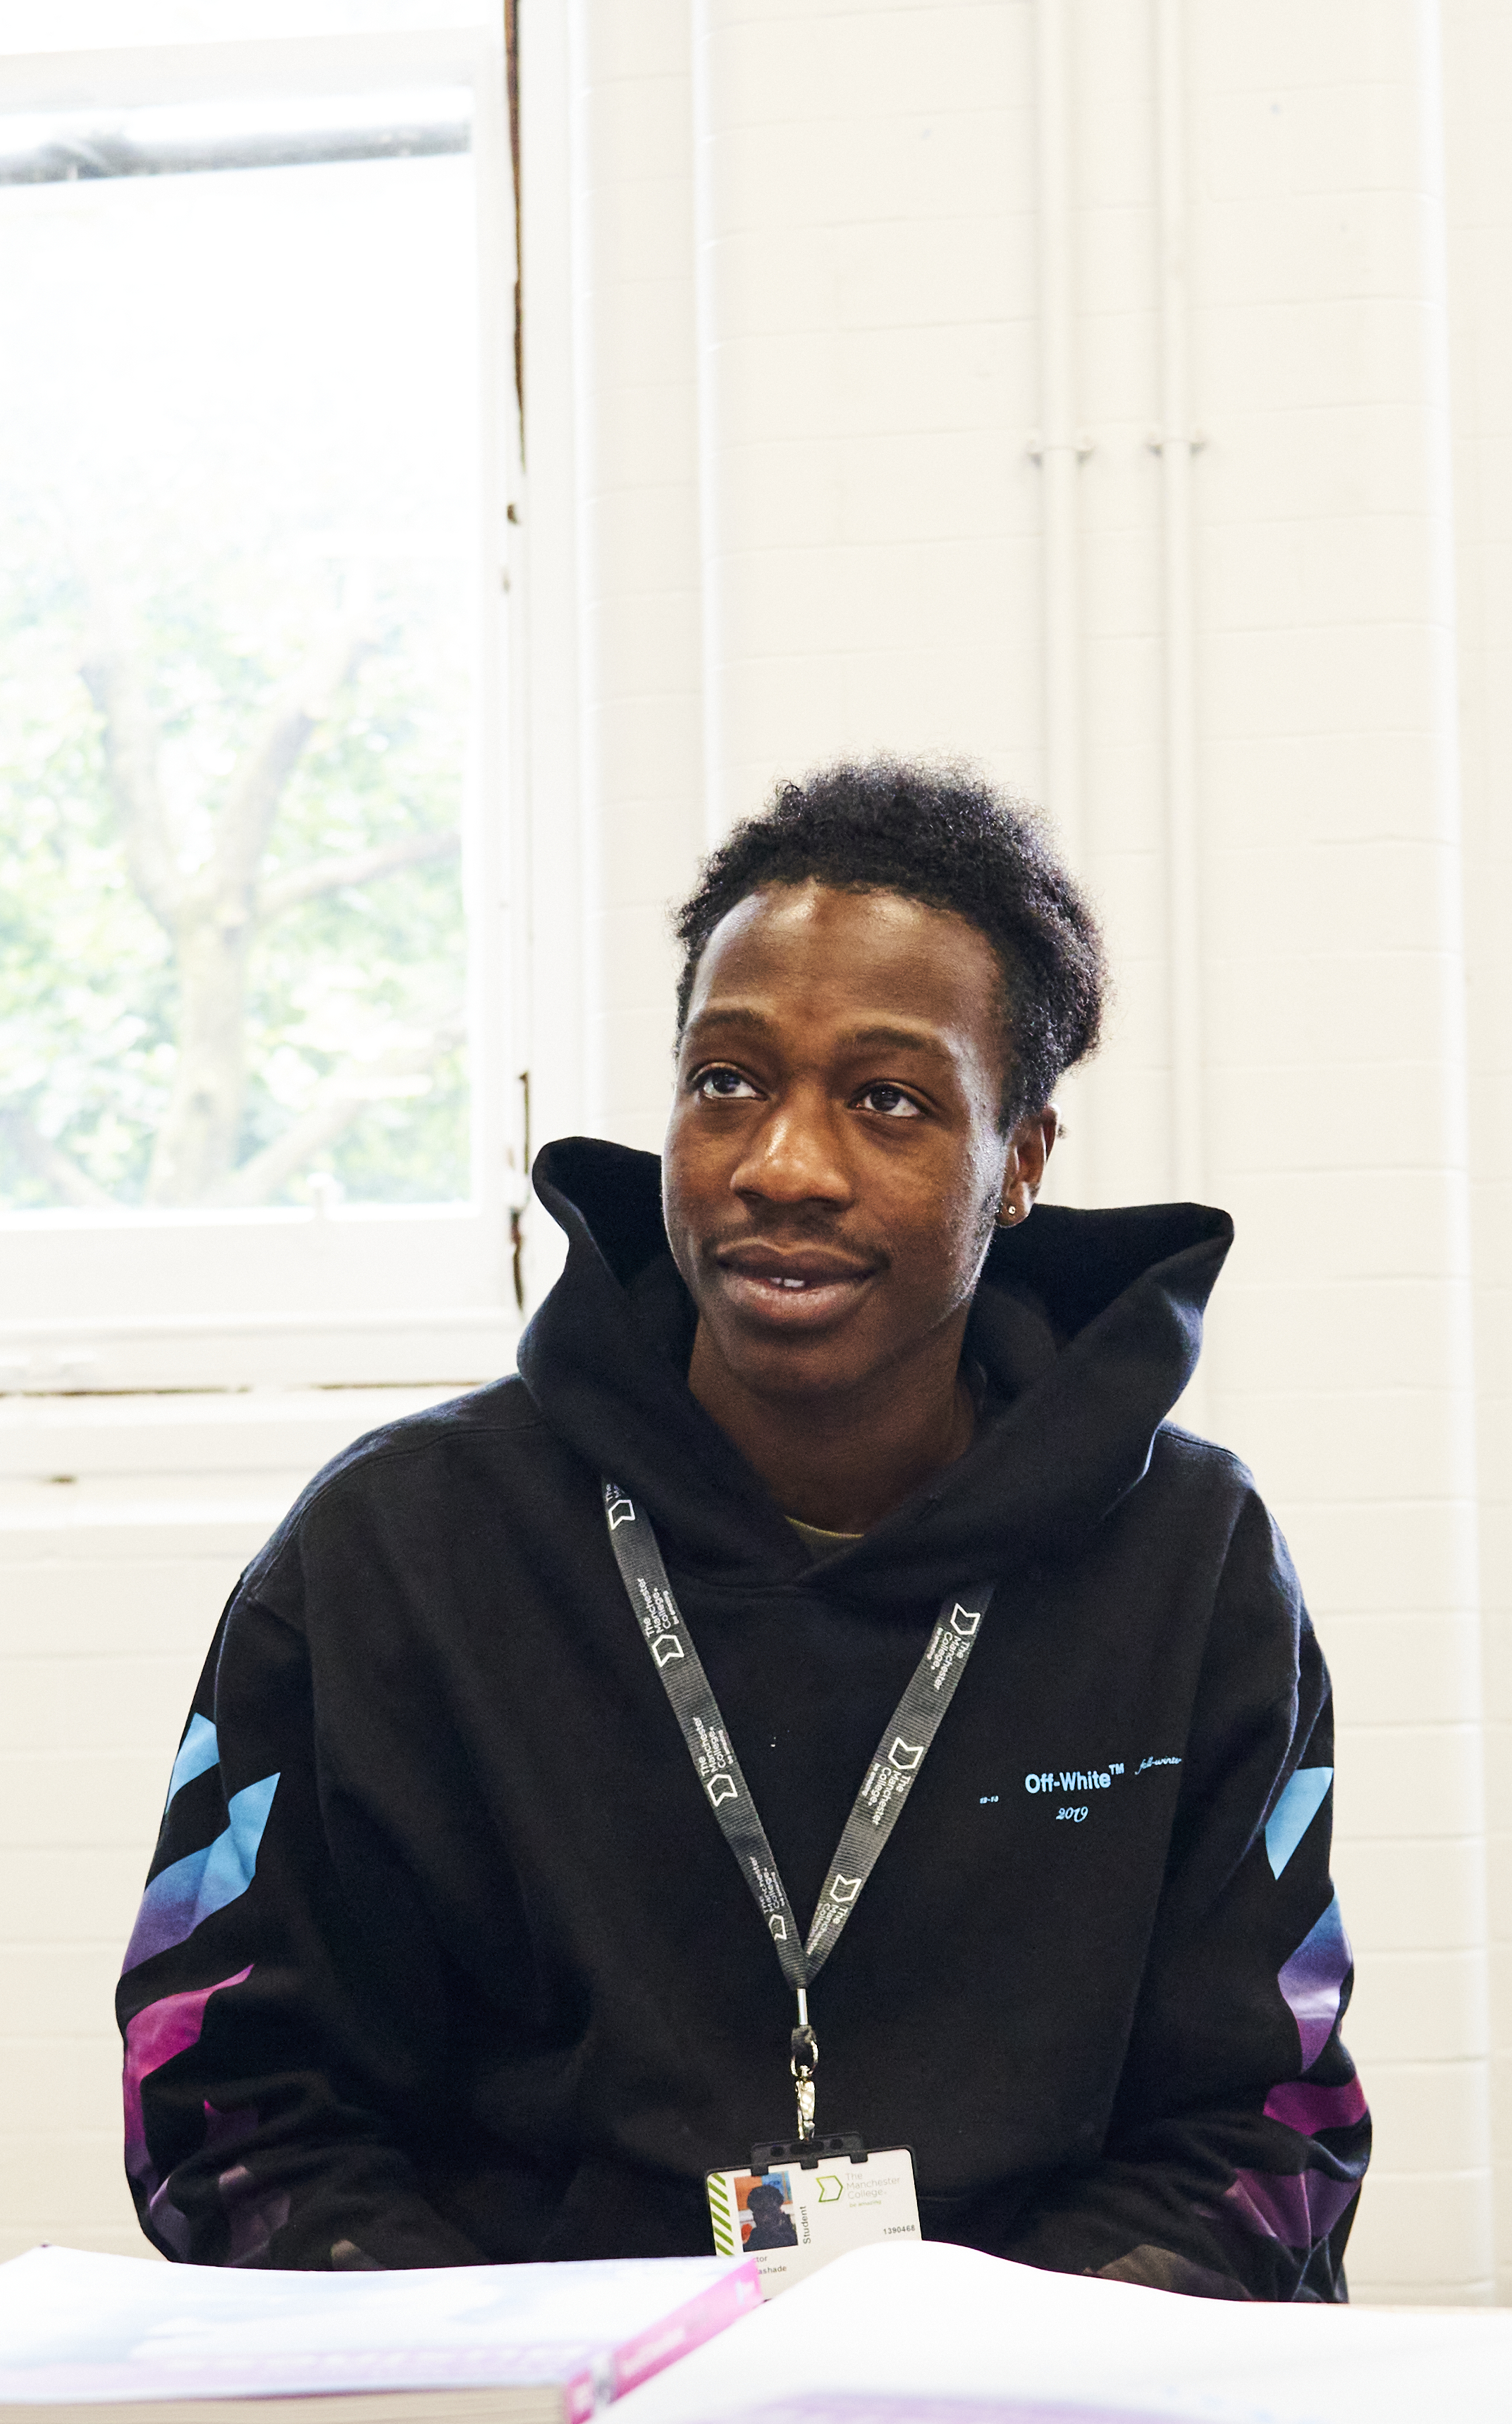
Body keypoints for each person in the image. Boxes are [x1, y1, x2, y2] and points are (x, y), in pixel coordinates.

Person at [115, 758, 1366, 2293]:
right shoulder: (392, 1552)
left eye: (888, 1102)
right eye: (729, 1083)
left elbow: (1263, 2125)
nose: (782, 1164)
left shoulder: (1190, 1561)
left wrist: (1003, 2389)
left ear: (1019, 1162)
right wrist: (522, 2392)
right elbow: (225, 2097)